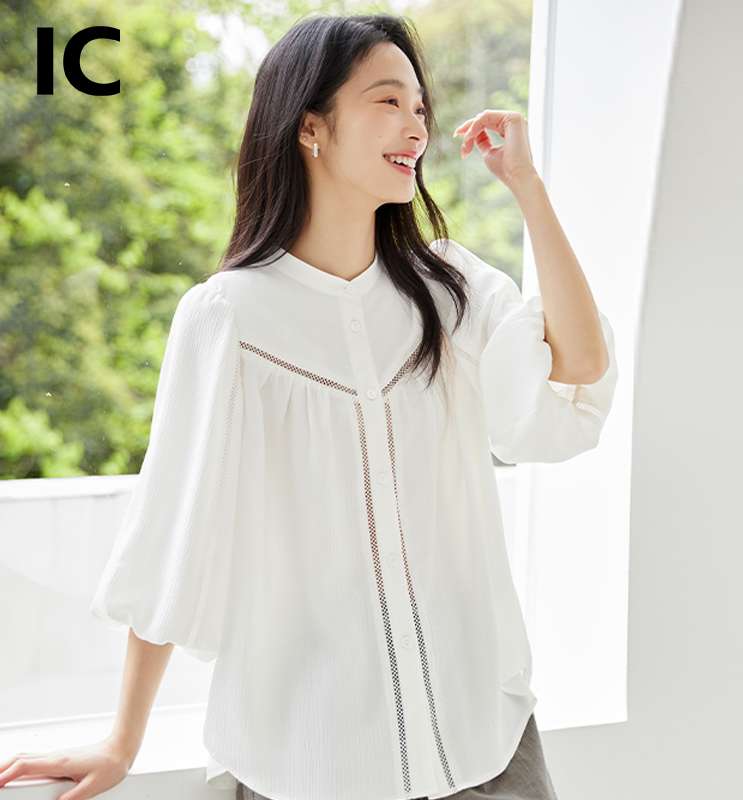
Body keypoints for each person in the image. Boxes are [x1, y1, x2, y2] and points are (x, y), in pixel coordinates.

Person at [0, 12, 617, 800]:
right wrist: (123, 743)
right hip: (313, 766)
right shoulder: (228, 317)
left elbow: (579, 366)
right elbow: (175, 534)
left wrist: (527, 187)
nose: (416, 126)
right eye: (388, 101)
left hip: (488, 750)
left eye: (421, 107)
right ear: (310, 127)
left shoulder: (449, 288)